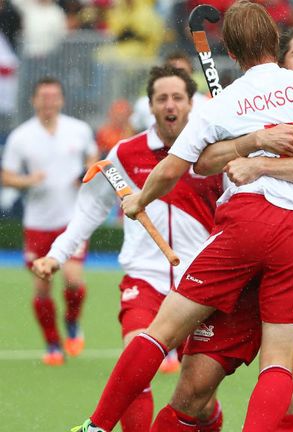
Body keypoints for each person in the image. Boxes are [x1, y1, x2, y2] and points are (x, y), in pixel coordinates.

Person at [69, 3, 293, 430]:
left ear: (231, 52)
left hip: (247, 225)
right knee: (271, 366)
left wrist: (139, 200)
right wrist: (258, 138)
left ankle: (97, 425)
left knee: (162, 330)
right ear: (278, 43)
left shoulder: (226, 102)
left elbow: (173, 167)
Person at [150, 25, 293, 432]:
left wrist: (259, 162)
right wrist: (249, 139)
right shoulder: (249, 111)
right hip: (245, 268)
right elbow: (204, 162)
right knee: (192, 389)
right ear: (279, 66)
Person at [32, 65, 223, 432]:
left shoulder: (213, 152)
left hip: (199, 287)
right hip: (145, 281)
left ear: (190, 104)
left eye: (177, 98)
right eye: (161, 98)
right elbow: (88, 210)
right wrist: (57, 255)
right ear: (149, 107)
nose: (170, 104)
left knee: (199, 400)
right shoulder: (126, 153)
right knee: (138, 365)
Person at [2, 76, 98, 365]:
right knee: (42, 287)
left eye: (54, 96)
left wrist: (86, 172)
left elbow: (94, 158)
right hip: (37, 223)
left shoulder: (78, 130)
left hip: (72, 221)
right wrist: (28, 180)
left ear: (62, 100)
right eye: (43, 97)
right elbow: (6, 175)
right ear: (33, 100)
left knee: (72, 279)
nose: (49, 102)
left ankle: (71, 321)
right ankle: (52, 344)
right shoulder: (21, 136)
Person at [130, 51, 209, 132]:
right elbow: (132, 130)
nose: (170, 106)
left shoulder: (205, 105)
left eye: (183, 73)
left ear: (190, 103)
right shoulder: (143, 104)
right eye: (172, 72)